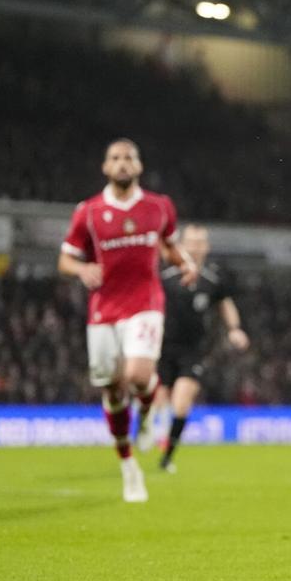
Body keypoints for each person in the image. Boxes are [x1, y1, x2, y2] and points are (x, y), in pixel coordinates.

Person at [58, 138, 197, 502]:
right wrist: (82, 268)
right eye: (115, 158)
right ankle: (128, 467)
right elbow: (65, 259)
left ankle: (148, 414)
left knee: (137, 374)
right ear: (105, 167)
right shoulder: (87, 212)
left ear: (139, 166)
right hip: (104, 308)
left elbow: (168, 244)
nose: (122, 163)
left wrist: (185, 263)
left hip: (145, 301)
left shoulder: (159, 207)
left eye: (129, 158)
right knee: (112, 389)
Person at [151, 224, 250, 473]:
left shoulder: (212, 279)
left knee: (181, 403)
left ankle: (167, 457)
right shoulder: (165, 276)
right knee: (158, 401)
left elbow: (226, 304)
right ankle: (149, 432)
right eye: (191, 242)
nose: (195, 247)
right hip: (162, 348)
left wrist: (235, 329)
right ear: (182, 245)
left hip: (194, 351)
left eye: (199, 242)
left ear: (206, 247)